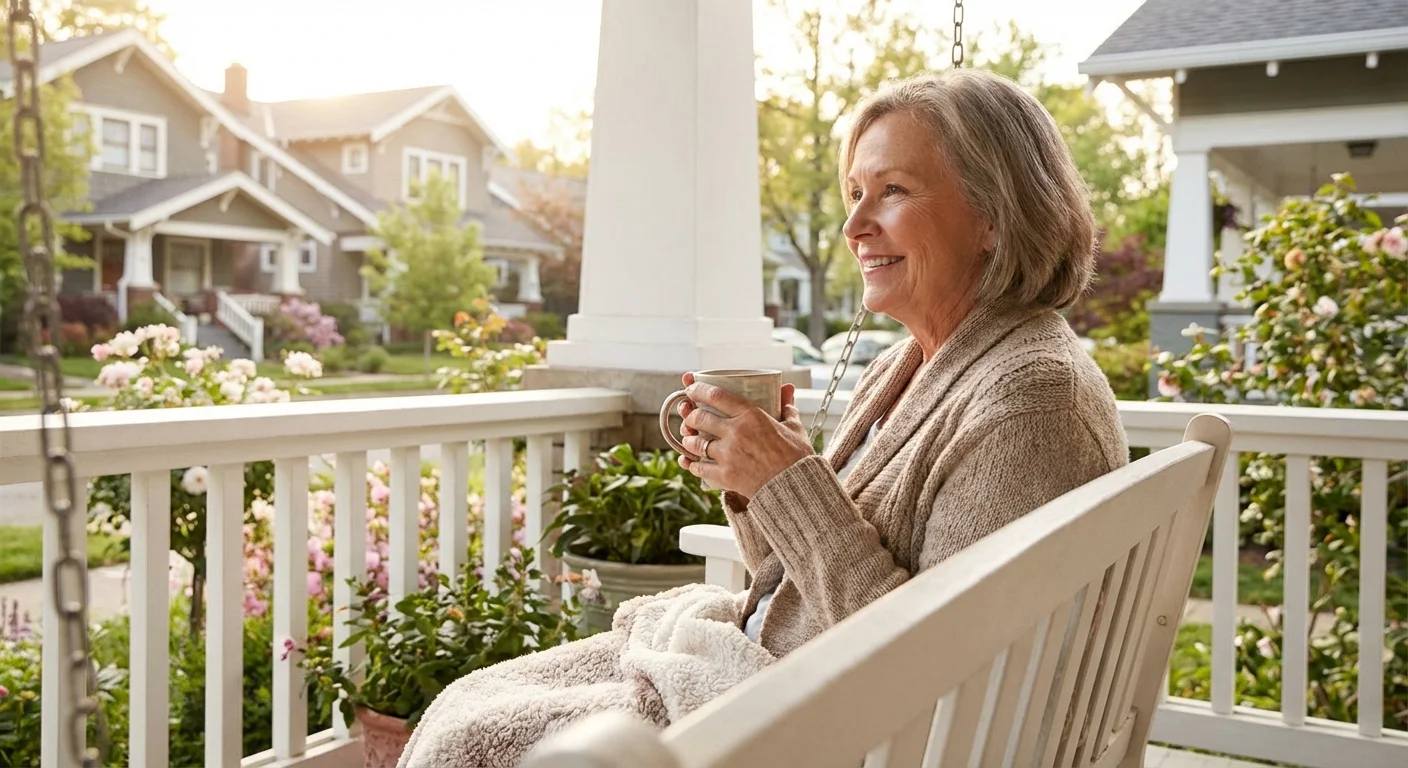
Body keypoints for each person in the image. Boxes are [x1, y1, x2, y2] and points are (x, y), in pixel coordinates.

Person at [675, 68, 1129, 657]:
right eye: (856, 193)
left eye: (893, 190)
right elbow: (799, 589)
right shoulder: (901, 367)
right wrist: (757, 481)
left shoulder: (1032, 405)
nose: (854, 226)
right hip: (768, 677)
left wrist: (787, 484)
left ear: (994, 216)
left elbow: (928, 664)